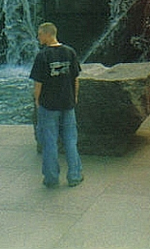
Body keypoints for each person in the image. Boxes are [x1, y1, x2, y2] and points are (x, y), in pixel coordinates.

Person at [29, 22, 83, 188]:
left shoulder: (42, 56)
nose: (38, 37)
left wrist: (37, 101)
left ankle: (51, 178)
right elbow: (76, 79)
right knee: (70, 140)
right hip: (67, 103)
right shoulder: (70, 52)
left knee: (50, 142)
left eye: (40, 34)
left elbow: (38, 84)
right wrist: (74, 98)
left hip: (49, 105)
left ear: (48, 34)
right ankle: (74, 176)